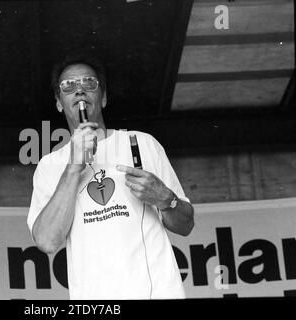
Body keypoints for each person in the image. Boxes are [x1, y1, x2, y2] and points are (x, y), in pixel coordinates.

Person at [27, 55, 195, 299]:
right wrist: (74, 167)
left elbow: (186, 225)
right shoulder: (49, 165)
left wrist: (165, 199)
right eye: (69, 86)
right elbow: (47, 242)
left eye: (89, 83)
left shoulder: (142, 143)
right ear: (59, 103)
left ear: (103, 98)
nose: (80, 91)